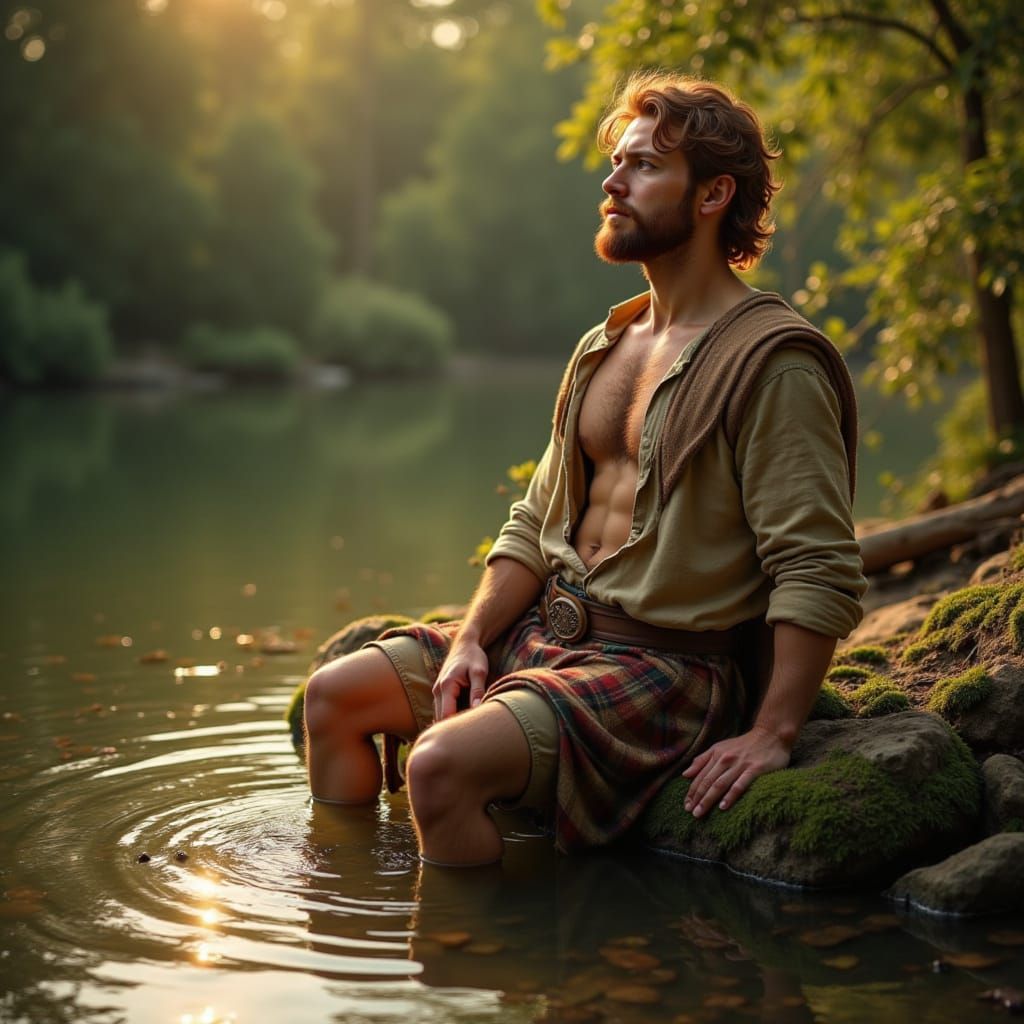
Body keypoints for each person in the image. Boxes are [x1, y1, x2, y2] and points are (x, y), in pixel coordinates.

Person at [303, 71, 866, 867]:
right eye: (617, 162)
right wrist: (472, 639)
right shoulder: (607, 345)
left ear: (713, 195)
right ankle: (346, 908)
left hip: (661, 672)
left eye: (645, 166)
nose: (613, 183)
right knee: (332, 698)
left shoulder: (773, 363)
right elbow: (534, 523)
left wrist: (773, 732)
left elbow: (815, 566)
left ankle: (482, 936)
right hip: (542, 635)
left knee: (437, 768)